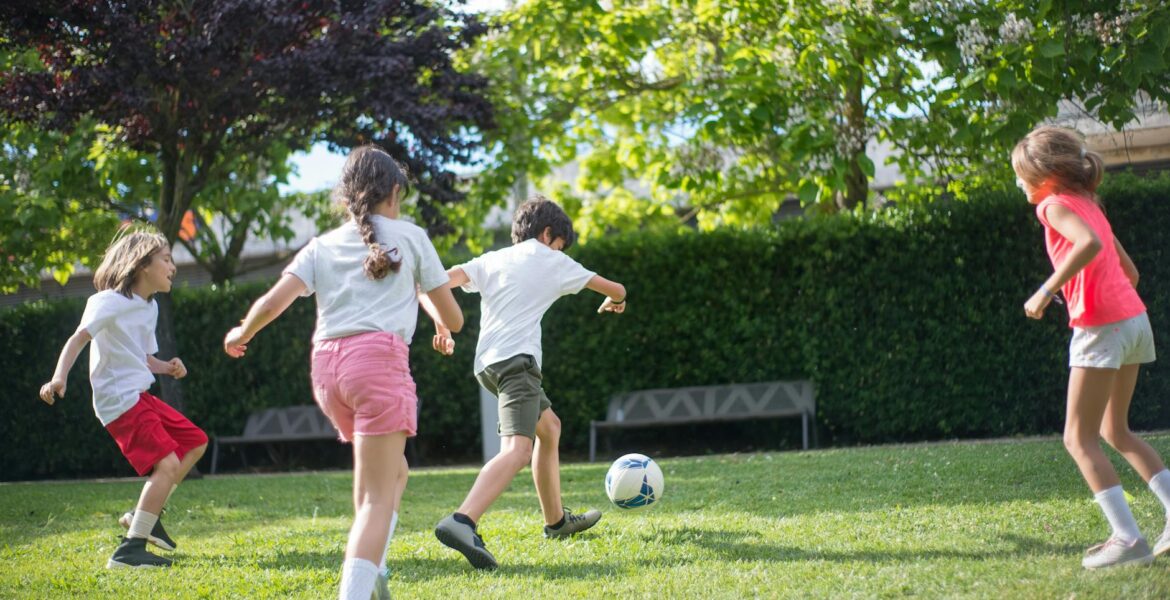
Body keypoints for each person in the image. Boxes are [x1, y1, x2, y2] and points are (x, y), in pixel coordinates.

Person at [223, 145, 462, 599]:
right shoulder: (411, 237)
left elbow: (276, 299)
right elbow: (454, 317)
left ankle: (374, 572)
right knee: (377, 496)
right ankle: (355, 591)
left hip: (328, 370)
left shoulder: (323, 244)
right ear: (394, 191)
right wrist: (442, 316)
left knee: (392, 475)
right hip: (377, 366)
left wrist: (242, 330)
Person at [430, 196, 626, 570]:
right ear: (549, 233)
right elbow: (615, 288)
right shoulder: (552, 258)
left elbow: (441, 282)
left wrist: (442, 324)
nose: (559, 251)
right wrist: (617, 301)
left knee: (549, 428)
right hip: (518, 363)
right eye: (559, 244)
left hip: (487, 365)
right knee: (518, 450)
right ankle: (462, 521)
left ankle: (556, 522)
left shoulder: (492, 259)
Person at [1014, 125, 1168, 569]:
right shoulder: (1089, 205)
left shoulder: (1053, 205)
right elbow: (1131, 274)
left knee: (1077, 438)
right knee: (1115, 432)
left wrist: (1047, 291)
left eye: (1022, 174)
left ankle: (1128, 538)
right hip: (1134, 320)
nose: (1019, 184)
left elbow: (1088, 245)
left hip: (1102, 327)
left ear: (1045, 174)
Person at [39, 229, 208, 569]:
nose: (173, 266)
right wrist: (59, 377)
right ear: (142, 263)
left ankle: (145, 516)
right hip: (118, 399)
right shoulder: (107, 301)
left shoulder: (150, 307)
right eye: (166, 259)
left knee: (195, 441)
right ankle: (129, 551)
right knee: (168, 464)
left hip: (139, 394)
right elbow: (78, 339)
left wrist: (167, 367)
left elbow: (142, 357)